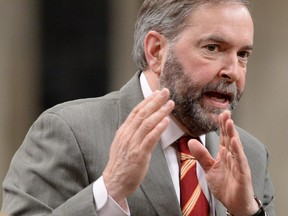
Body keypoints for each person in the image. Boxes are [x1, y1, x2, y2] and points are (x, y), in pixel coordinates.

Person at [1, 0, 275, 215]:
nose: (232, 72)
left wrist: (247, 213)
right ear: (156, 51)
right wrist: (108, 191)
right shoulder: (69, 131)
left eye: (242, 55)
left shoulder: (251, 155)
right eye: (213, 48)